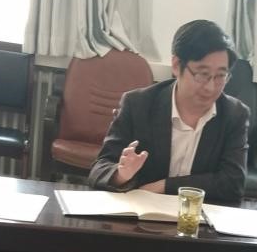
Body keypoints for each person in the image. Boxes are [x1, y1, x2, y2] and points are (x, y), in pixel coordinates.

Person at [88, 20, 248, 204]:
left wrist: (165, 186)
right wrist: (121, 175)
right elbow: (99, 170)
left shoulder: (234, 114)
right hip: (142, 214)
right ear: (176, 65)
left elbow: (233, 184)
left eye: (220, 76)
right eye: (203, 74)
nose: (211, 87)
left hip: (197, 217)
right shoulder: (138, 104)